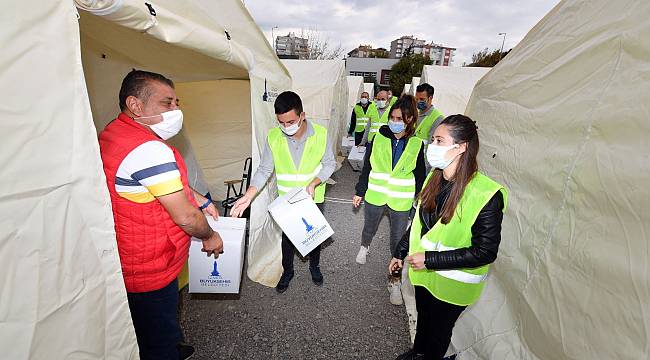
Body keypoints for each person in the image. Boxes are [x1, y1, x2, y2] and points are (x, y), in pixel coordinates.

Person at [99, 70, 224, 360]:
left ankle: (171, 343)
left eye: (176, 102)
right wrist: (210, 235)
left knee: (155, 323)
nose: (176, 110)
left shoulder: (115, 133)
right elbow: (186, 218)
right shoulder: (149, 150)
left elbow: (164, 185)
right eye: (167, 103)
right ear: (136, 105)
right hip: (150, 266)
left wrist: (201, 199)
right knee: (155, 338)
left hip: (130, 255)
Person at [390, 115, 507, 360]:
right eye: (433, 139)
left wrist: (430, 260)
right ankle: (417, 351)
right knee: (424, 322)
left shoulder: (486, 194)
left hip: (453, 285)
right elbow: (419, 227)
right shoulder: (434, 179)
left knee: (439, 334)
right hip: (425, 275)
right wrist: (400, 253)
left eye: (439, 140)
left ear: (461, 147)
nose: (432, 146)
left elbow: (485, 251)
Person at [230, 91, 336, 293]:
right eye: (282, 122)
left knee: (313, 235)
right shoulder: (273, 137)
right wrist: (248, 196)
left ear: (302, 115)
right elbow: (264, 170)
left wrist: (314, 183)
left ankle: (314, 267)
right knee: (287, 239)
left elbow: (330, 164)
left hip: (312, 198)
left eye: (291, 122)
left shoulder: (321, 134)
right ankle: (287, 272)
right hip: (286, 200)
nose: (286, 127)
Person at [352, 95, 426, 305]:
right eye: (392, 117)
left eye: (398, 118)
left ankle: (394, 282)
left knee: (398, 242)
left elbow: (419, 174)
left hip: (401, 201)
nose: (393, 121)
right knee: (369, 227)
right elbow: (367, 167)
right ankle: (365, 246)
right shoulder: (378, 138)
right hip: (376, 194)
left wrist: (419, 199)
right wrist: (360, 190)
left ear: (409, 119)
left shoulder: (416, 144)